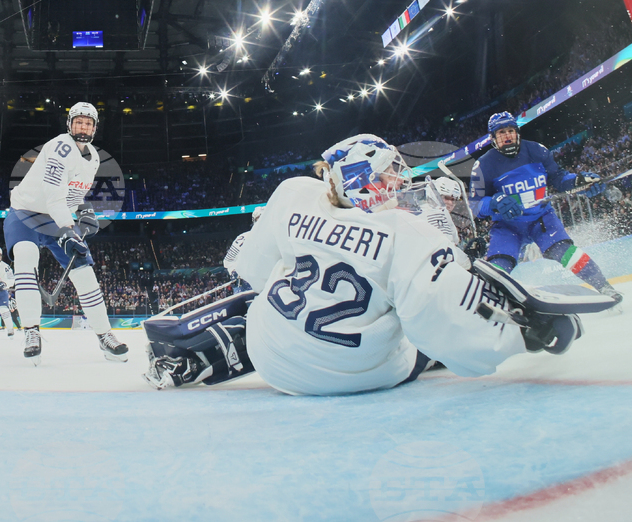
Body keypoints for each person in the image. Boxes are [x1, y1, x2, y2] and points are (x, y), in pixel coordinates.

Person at [143, 134, 586, 393]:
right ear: (364, 178)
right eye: (391, 171)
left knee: (264, 302)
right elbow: (444, 334)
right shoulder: (406, 230)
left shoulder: (295, 193)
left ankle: (191, 350)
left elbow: (255, 274)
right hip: (358, 376)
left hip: (269, 354)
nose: (399, 179)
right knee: (420, 331)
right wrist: (521, 339)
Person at [4, 101, 128, 365]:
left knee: (85, 274)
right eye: (78, 122)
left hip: (56, 217)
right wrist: (68, 229)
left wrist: (84, 209)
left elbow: (72, 192)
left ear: (94, 128)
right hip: (25, 213)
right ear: (70, 124)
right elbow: (52, 195)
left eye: (88, 123)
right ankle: (31, 332)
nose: (83, 127)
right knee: (25, 261)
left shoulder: (93, 156)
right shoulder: (59, 146)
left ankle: (105, 335)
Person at [469, 112, 622, 302]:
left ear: (517, 132)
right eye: (501, 133)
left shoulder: (537, 151)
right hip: (507, 226)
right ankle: (490, 303)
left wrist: (580, 182)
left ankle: (605, 287)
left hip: (541, 218)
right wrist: (495, 203)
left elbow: (558, 178)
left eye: (510, 130)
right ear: (493, 138)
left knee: (565, 252)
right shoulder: (483, 165)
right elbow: (475, 205)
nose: (507, 135)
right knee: (499, 267)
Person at [224, 206, 265, 291]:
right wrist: (234, 272)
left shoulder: (275, 239)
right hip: (245, 284)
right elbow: (228, 260)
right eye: (259, 218)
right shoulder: (243, 238)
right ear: (255, 220)